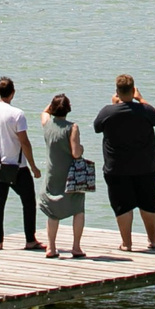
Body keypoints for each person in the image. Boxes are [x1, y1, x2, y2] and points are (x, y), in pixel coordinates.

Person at [93, 74, 155, 252]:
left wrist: (116, 105)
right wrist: (141, 99)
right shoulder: (145, 110)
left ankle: (127, 243)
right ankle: (152, 241)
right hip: (146, 167)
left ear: (117, 91)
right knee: (148, 203)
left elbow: (97, 127)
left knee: (122, 205)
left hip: (117, 168)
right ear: (133, 90)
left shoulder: (107, 112)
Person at [0, 77, 41, 251]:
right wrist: (33, 166)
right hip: (18, 167)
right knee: (28, 201)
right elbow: (25, 142)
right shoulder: (17, 114)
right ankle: (30, 240)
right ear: (13, 93)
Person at [37, 94, 88, 259]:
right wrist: (81, 148)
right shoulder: (72, 127)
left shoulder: (47, 124)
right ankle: (76, 247)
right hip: (71, 175)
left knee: (53, 211)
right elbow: (75, 152)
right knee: (78, 209)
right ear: (68, 109)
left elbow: (44, 112)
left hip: (53, 173)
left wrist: (52, 105)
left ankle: (51, 247)